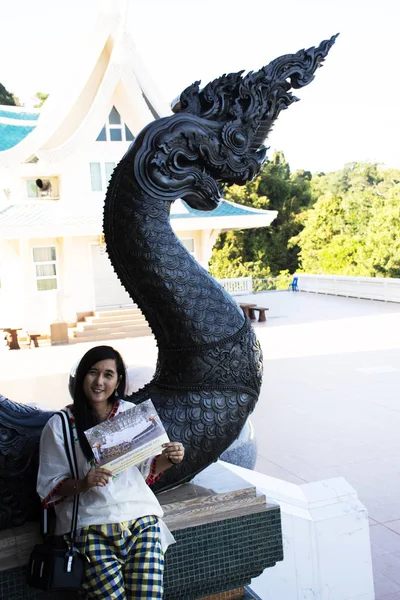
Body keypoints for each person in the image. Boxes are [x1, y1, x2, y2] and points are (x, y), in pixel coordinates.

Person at [37, 345, 184, 600]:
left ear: (118, 381)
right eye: (93, 372)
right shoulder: (60, 424)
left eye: (108, 374)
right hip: (91, 526)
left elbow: (146, 473)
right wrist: (83, 484)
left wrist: (170, 459)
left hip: (140, 520)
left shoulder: (131, 414)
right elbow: (49, 487)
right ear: (81, 376)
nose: (99, 381)